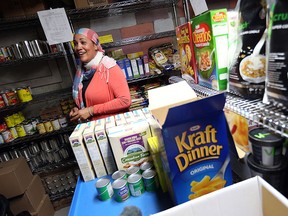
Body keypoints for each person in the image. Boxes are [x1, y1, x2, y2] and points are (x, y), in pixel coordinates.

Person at [69, 28, 131, 122]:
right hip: (95, 128)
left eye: (83, 42)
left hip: (114, 127)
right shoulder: (81, 71)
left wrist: (90, 110)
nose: (78, 47)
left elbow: (125, 100)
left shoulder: (109, 67)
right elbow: (88, 98)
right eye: (76, 43)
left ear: (95, 45)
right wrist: (79, 110)